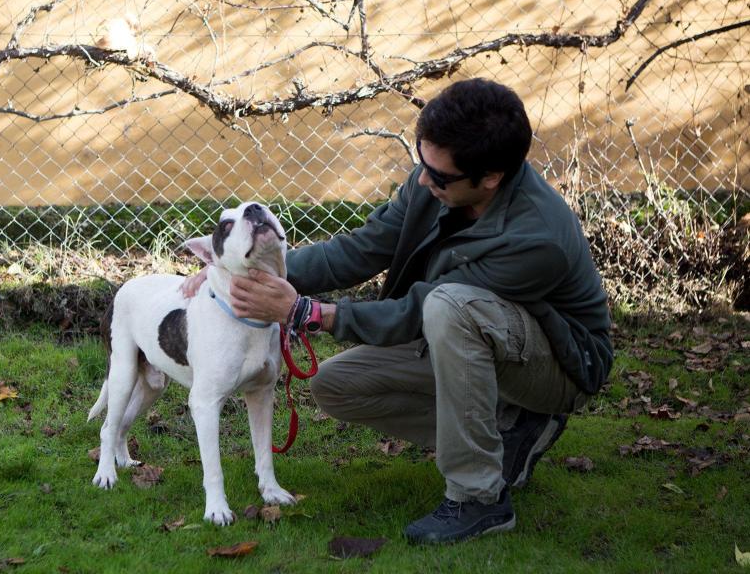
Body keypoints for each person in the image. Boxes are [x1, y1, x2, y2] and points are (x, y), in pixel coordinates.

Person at [183, 77, 613, 544]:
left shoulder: (536, 238)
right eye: (421, 161)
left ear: (490, 178)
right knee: (336, 386)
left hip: (558, 365)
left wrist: (308, 313)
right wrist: (241, 270)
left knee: (450, 307)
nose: (425, 181)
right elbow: (363, 248)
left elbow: (419, 311)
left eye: (440, 176)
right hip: (472, 336)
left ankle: (478, 499)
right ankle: (512, 430)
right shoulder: (435, 176)